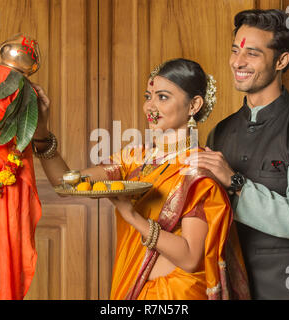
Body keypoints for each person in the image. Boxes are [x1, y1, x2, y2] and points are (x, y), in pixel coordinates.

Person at [31, 58, 250, 300]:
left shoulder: (197, 170)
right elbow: (66, 184)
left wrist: (131, 215)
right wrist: (41, 133)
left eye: (163, 97)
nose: (150, 107)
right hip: (136, 290)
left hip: (178, 294)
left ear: (193, 105)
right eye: (148, 96)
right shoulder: (134, 159)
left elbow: (189, 258)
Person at [185, 9, 289, 299]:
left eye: (251, 53)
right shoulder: (220, 132)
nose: (238, 62)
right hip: (230, 288)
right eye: (235, 50)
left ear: (281, 60)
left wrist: (235, 183)